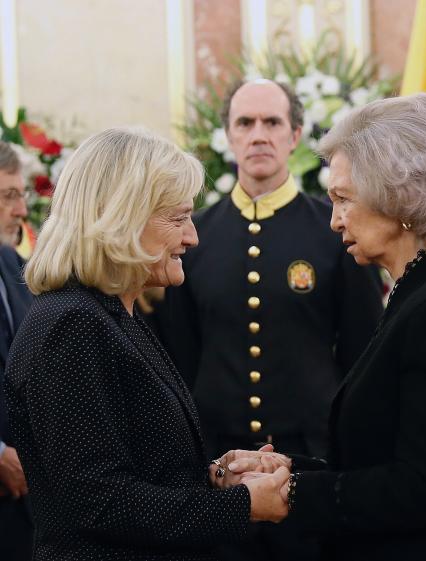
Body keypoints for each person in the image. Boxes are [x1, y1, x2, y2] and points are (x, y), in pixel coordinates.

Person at [236, 93, 426, 561]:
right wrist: (287, 470)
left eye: (343, 199)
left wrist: (292, 496)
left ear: (399, 195)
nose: (333, 221)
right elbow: (383, 455)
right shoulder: (422, 289)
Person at [3, 127, 291, 561]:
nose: (192, 237)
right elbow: (99, 503)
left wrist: (217, 474)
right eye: (176, 219)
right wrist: (243, 505)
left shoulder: (113, 315)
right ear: (120, 218)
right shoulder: (72, 326)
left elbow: (138, 466)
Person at [154, 78, 384, 560]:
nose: (259, 134)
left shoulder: (334, 232)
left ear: (295, 135)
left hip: (309, 462)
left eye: (272, 122)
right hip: (218, 465)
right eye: (245, 123)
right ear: (228, 136)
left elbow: (364, 355)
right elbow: (177, 354)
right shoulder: (195, 238)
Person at [0, 142, 33, 561]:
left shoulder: (12, 265)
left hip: (23, 506)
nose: (22, 210)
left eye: (22, 195)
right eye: (9, 195)